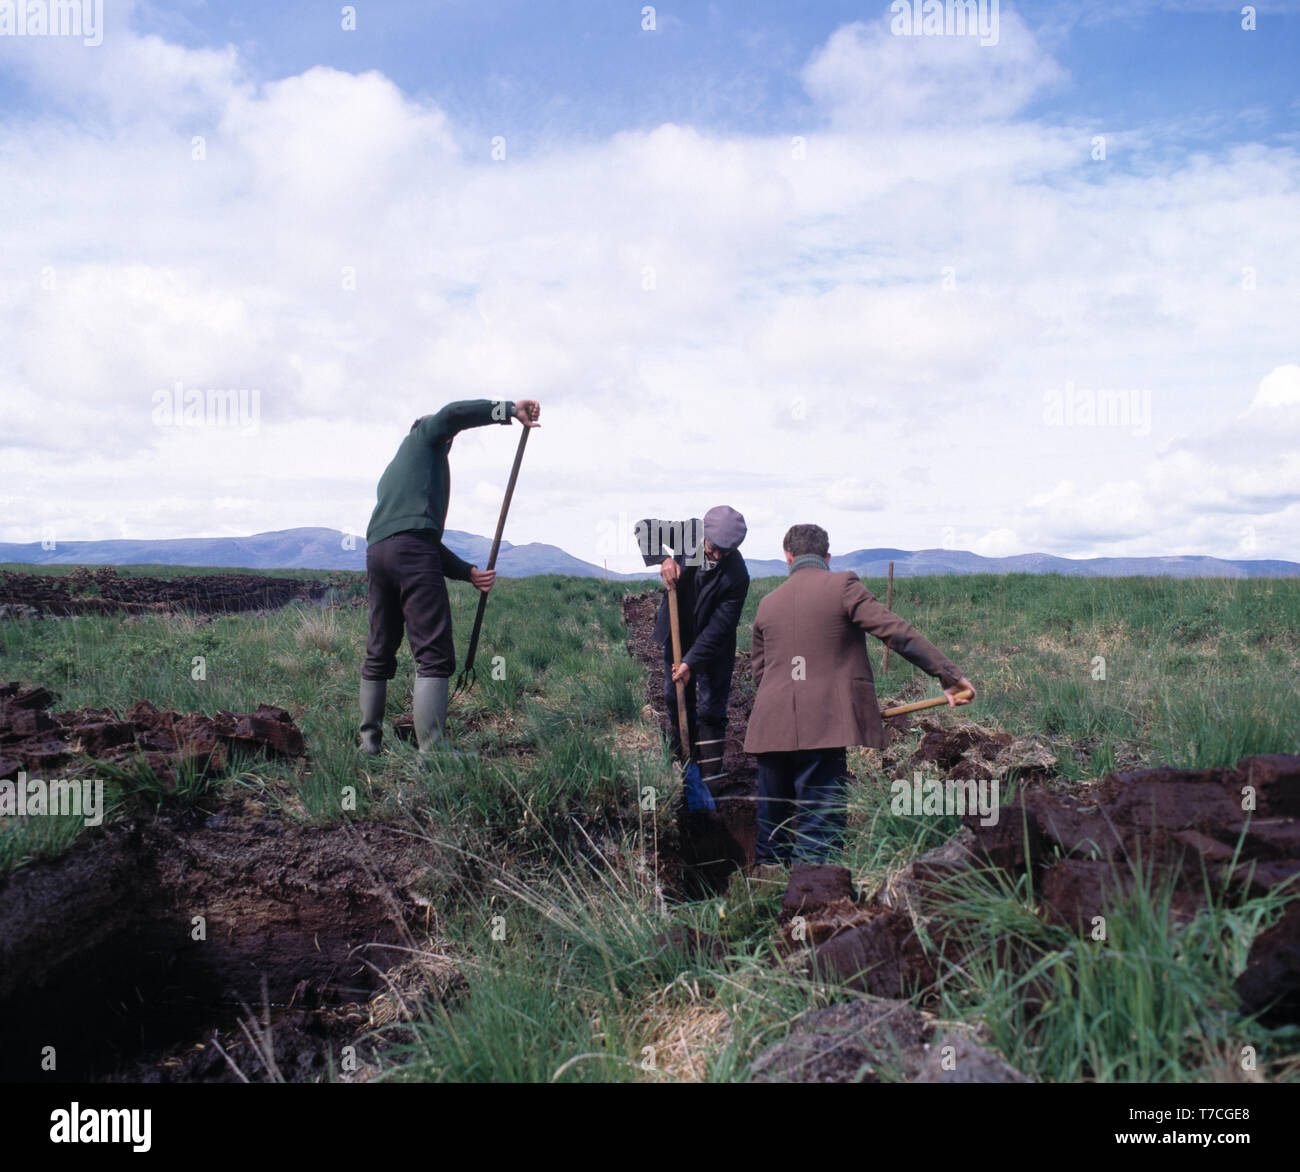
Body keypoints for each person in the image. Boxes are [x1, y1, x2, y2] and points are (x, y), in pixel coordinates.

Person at [743, 523, 975, 864]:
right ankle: (810, 908)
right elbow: (897, 633)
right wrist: (948, 675)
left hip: (769, 729)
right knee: (818, 834)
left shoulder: (767, 603)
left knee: (772, 832)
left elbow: (761, 673)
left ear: (788, 557)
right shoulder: (843, 585)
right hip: (822, 728)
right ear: (827, 556)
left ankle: (765, 903)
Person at [359, 398, 541, 754]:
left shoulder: (396, 472)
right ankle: (433, 752)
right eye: (450, 439)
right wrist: (507, 410)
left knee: (380, 648)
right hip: (409, 551)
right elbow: (452, 415)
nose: (451, 442)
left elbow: (414, 537)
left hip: (378, 553)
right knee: (434, 652)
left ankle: (369, 744)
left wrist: (469, 572)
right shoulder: (426, 436)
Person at [634, 507, 750, 791]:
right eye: (713, 548)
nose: (718, 555)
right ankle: (683, 760)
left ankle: (711, 775)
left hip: (714, 646)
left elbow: (719, 628)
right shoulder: (688, 533)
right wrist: (664, 558)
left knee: (712, 707)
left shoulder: (737, 575)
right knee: (674, 697)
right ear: (704, 535)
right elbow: (643, 527)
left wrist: (691, 662)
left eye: (726, 551)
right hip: (678, 631)